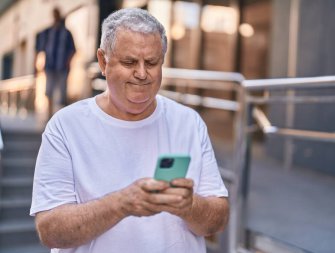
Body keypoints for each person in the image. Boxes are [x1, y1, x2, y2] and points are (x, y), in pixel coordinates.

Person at [30, 8, 229, 253]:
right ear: (103, 62)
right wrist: (122, 204)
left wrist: (189, 206)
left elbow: (218, 219)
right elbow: (50, 231)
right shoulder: (65, 127)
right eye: (129, 62)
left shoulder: (189, 122)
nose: (142, 73)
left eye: (152, 62)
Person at [35, 7, 76, 118]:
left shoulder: (67, 33)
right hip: (50, 66)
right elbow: (41, 49)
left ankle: (61, 117)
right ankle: (49, 116)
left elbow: (73, 50)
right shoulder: (48, 32)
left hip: (62, 67)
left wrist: (68, 62)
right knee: (49, 91)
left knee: (62, 93)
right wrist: (38, 63)